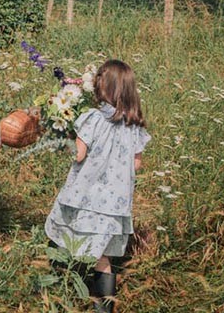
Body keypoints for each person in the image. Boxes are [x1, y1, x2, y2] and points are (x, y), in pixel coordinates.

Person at [44, 60, 151, 313]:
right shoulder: (133, 125)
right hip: (114, 202)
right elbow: (136, 165)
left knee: (66, 238)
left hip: (85, 197)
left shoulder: (91, 118)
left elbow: (78, 155)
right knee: (102, 255)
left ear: (103, 88)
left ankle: (58, 291)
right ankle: (104, 308)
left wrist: (65, 139)